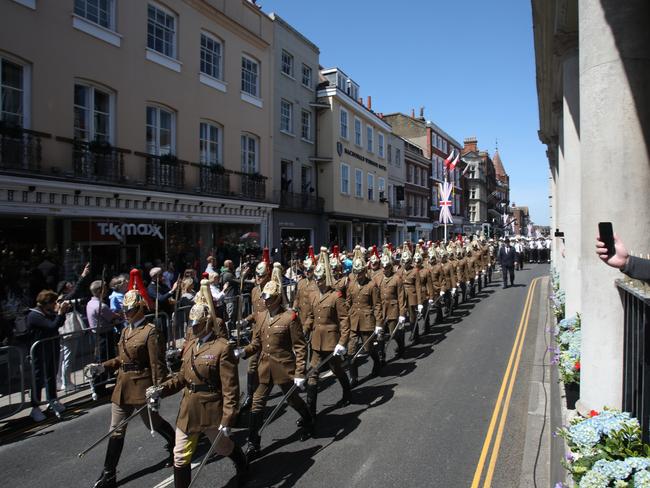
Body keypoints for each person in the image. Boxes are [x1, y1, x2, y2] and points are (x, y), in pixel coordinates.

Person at [147, 279, 247, 488]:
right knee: (180, 455)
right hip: (189, 408)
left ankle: (242, 465)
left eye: (198, 325)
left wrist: (229, 417)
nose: (194, 328)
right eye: (192, 325)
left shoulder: (221, 348)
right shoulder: (191, 345)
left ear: (208, 323)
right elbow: (182, 377)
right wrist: (161, 390)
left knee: (222, 447)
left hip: (211, 408)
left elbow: (230, 387)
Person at [84, 270, 176, 488]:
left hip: (142, 386)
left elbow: (157, 364)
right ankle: (109, 473)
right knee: (115, 428)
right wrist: (102, 366)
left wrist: (158, 389)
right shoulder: (125, 331)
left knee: (153, 422)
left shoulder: (150, 332)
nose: (126, 313)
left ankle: (174, 446)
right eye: (125, 310)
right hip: (122, 385)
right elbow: (121, 358)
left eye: (131, 310)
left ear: (140, 309)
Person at [235, 263, 313, 459]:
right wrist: (242, 353)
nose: (265, 301)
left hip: (284, 368)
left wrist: (300, 372)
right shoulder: (260, 317)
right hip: (265, 368)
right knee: (257, 404)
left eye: (269, 298)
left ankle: (308, 419)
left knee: (292, 399)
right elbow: (255, 344)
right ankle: (253, 443)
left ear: (277, 298)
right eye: (264, 298)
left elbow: (300, 346)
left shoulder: (289, 317)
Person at [302, 247, 351, 416]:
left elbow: (345, 320)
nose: (318, 282)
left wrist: (342, 342)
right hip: (316, 340)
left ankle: (347, 390)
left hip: (331, 341)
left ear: (326, 278)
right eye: (316, 278)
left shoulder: (335, 296)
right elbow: (310, 316)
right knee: (312, 374)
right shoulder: (313, 295)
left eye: (321, 279)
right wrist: (304, 330)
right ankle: (311, 413)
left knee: (336, 369)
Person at [27, 290, 70, 421]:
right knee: (38, 378)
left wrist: (60, 313)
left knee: (51, 374)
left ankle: (52, 400)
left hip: (50, 348)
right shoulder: (34, 315)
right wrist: (60, 313)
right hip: (39, 351)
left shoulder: (47, 312)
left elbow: (58, 324)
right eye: (53, 303)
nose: (54, 305)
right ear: (47, 303)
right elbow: (52, 326)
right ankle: (35, 407)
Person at [346, 247, 383, 386]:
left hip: (367, 321)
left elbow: (377, 305)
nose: (358, 275)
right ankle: (353, 377)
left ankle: (377, 362)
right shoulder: (351, 285)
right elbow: (347, 303)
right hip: (353, 320)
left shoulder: (371, 285)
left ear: (364, 271)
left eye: (360, 272)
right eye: (356, 272)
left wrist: (379, 324)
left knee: (368, 349)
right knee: (351, 350)